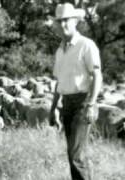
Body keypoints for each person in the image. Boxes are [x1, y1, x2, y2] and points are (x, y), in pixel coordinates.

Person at [49, 3, 102, 180]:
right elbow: (59, 82)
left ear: (75, 21)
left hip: (82, 103)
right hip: (67, 104)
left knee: (77, 155)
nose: (63, 25)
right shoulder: (60, 51)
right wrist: (53, 108)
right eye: (60, 21)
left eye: (66, 21)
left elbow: (97, 75)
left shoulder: (86, 45)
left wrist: (91, 104)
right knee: (72, 155)